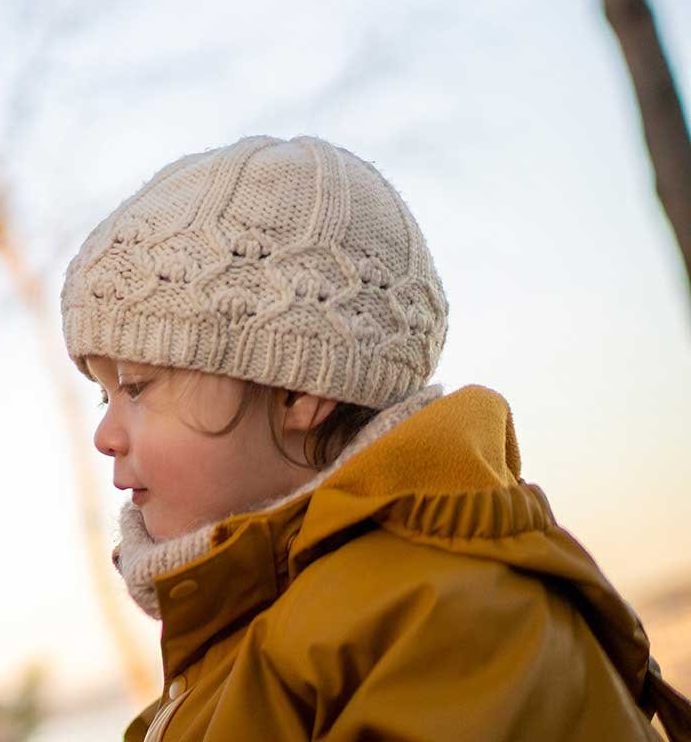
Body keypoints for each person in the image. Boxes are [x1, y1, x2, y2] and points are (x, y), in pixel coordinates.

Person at [60, 135, 691, 741]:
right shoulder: (247, 639)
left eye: (138, 386)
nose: (104, 434)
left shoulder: (439, 619)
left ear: (298, 392)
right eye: (103, 393)